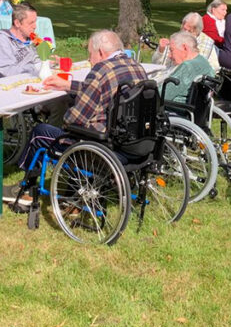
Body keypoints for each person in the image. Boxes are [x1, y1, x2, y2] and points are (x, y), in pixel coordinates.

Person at [11, 30, 147, 206]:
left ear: (100, 52)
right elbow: (103, 88)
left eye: (90, 54)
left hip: (102, 145)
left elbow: (74, 119)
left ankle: (25, 189)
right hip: (134, 143)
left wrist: (68, 110)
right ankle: (73, 194)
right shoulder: (136, 66)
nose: (89, 59)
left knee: (39, 132)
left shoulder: (101, 70)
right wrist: (69, 85)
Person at [153, 12, 220, 72]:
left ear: (197, 32)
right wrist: (161, 51)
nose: (185, 33)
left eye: (190, 31)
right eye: (184, 29)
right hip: (166, 74)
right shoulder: (176, 38)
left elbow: (212, 67)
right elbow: (156, 63)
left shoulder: (206, 42)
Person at [161, 32, 215, 103]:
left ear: (185, 48)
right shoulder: (204, 63)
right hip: (195, 107)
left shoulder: (187, 66)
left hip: (174, 107)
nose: (169, 56)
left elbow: (162, 95)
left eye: (171, 50)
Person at [0, 3, 43, 77]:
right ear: (17, 23)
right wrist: (35, 68)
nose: (35, 26)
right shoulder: (2, 40)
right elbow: (7, 71)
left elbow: (38, 61)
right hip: (13, 82)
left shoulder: (32, 39)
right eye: (31, 23)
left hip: (35, 78)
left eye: (35, 22)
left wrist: (48, 64)